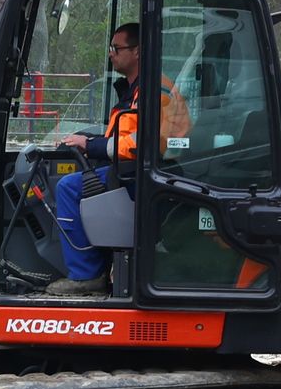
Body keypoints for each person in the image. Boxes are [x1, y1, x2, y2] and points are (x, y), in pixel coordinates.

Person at [46, 22, 189, 293]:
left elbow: (140, 144)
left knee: (67, 189)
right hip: (134, 168)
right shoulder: (137, 89)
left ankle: (86, 275)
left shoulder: (154, 91)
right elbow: (125, 134)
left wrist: (91, 145)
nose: (111, 53)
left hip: (144, 174)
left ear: (137, 52)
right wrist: (89, 140)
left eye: (116, 47)